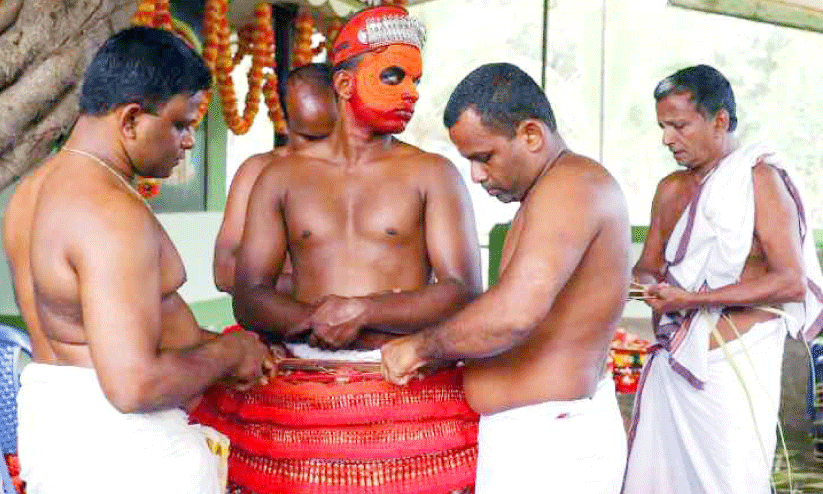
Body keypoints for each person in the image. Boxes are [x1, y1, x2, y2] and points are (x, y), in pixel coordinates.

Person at [191, 6, 483, 494]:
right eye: (393, 76)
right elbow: (247, 293)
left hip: (403, 386)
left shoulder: (434, 173)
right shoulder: (280, 177)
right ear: (345, 86)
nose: (411, 92)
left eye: (415, 79)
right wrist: (314, 320)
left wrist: (363, 311)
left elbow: (461, 291)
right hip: (294, 385)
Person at [2, 26, 273, 494]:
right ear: (130, 120)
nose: (188, 142)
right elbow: (133, 385)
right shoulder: (110, 213)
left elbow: (94, 332)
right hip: (124, 460)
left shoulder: (31, 193)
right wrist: (230, 351)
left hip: (62, 439)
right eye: (180, 124)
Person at [381, 62, 630, 493]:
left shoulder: (572, 186)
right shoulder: (548, 193)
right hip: (539, 436)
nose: (477, 175)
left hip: (554, 445)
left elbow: (515, 312)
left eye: (484, 157)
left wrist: (421, 346)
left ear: (531, 135)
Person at [622, 64, 823, 494]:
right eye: (662, 127)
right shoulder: (670, 189)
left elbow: (790, 281)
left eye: (678, 125)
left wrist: (691, 301)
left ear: (720, 121)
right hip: (674, 366)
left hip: (735, 369)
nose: (667, 139)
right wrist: (641, 284)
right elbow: (649, 265)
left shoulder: (759, 181)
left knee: (733, 483)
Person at [213, 63, 337, 295]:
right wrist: (327, 291)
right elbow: (225, 271)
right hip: (275, 326)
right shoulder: (257, 170)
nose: (318, 151)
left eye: (328, 138)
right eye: (309, 138)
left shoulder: (365, 174)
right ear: (287, 123)